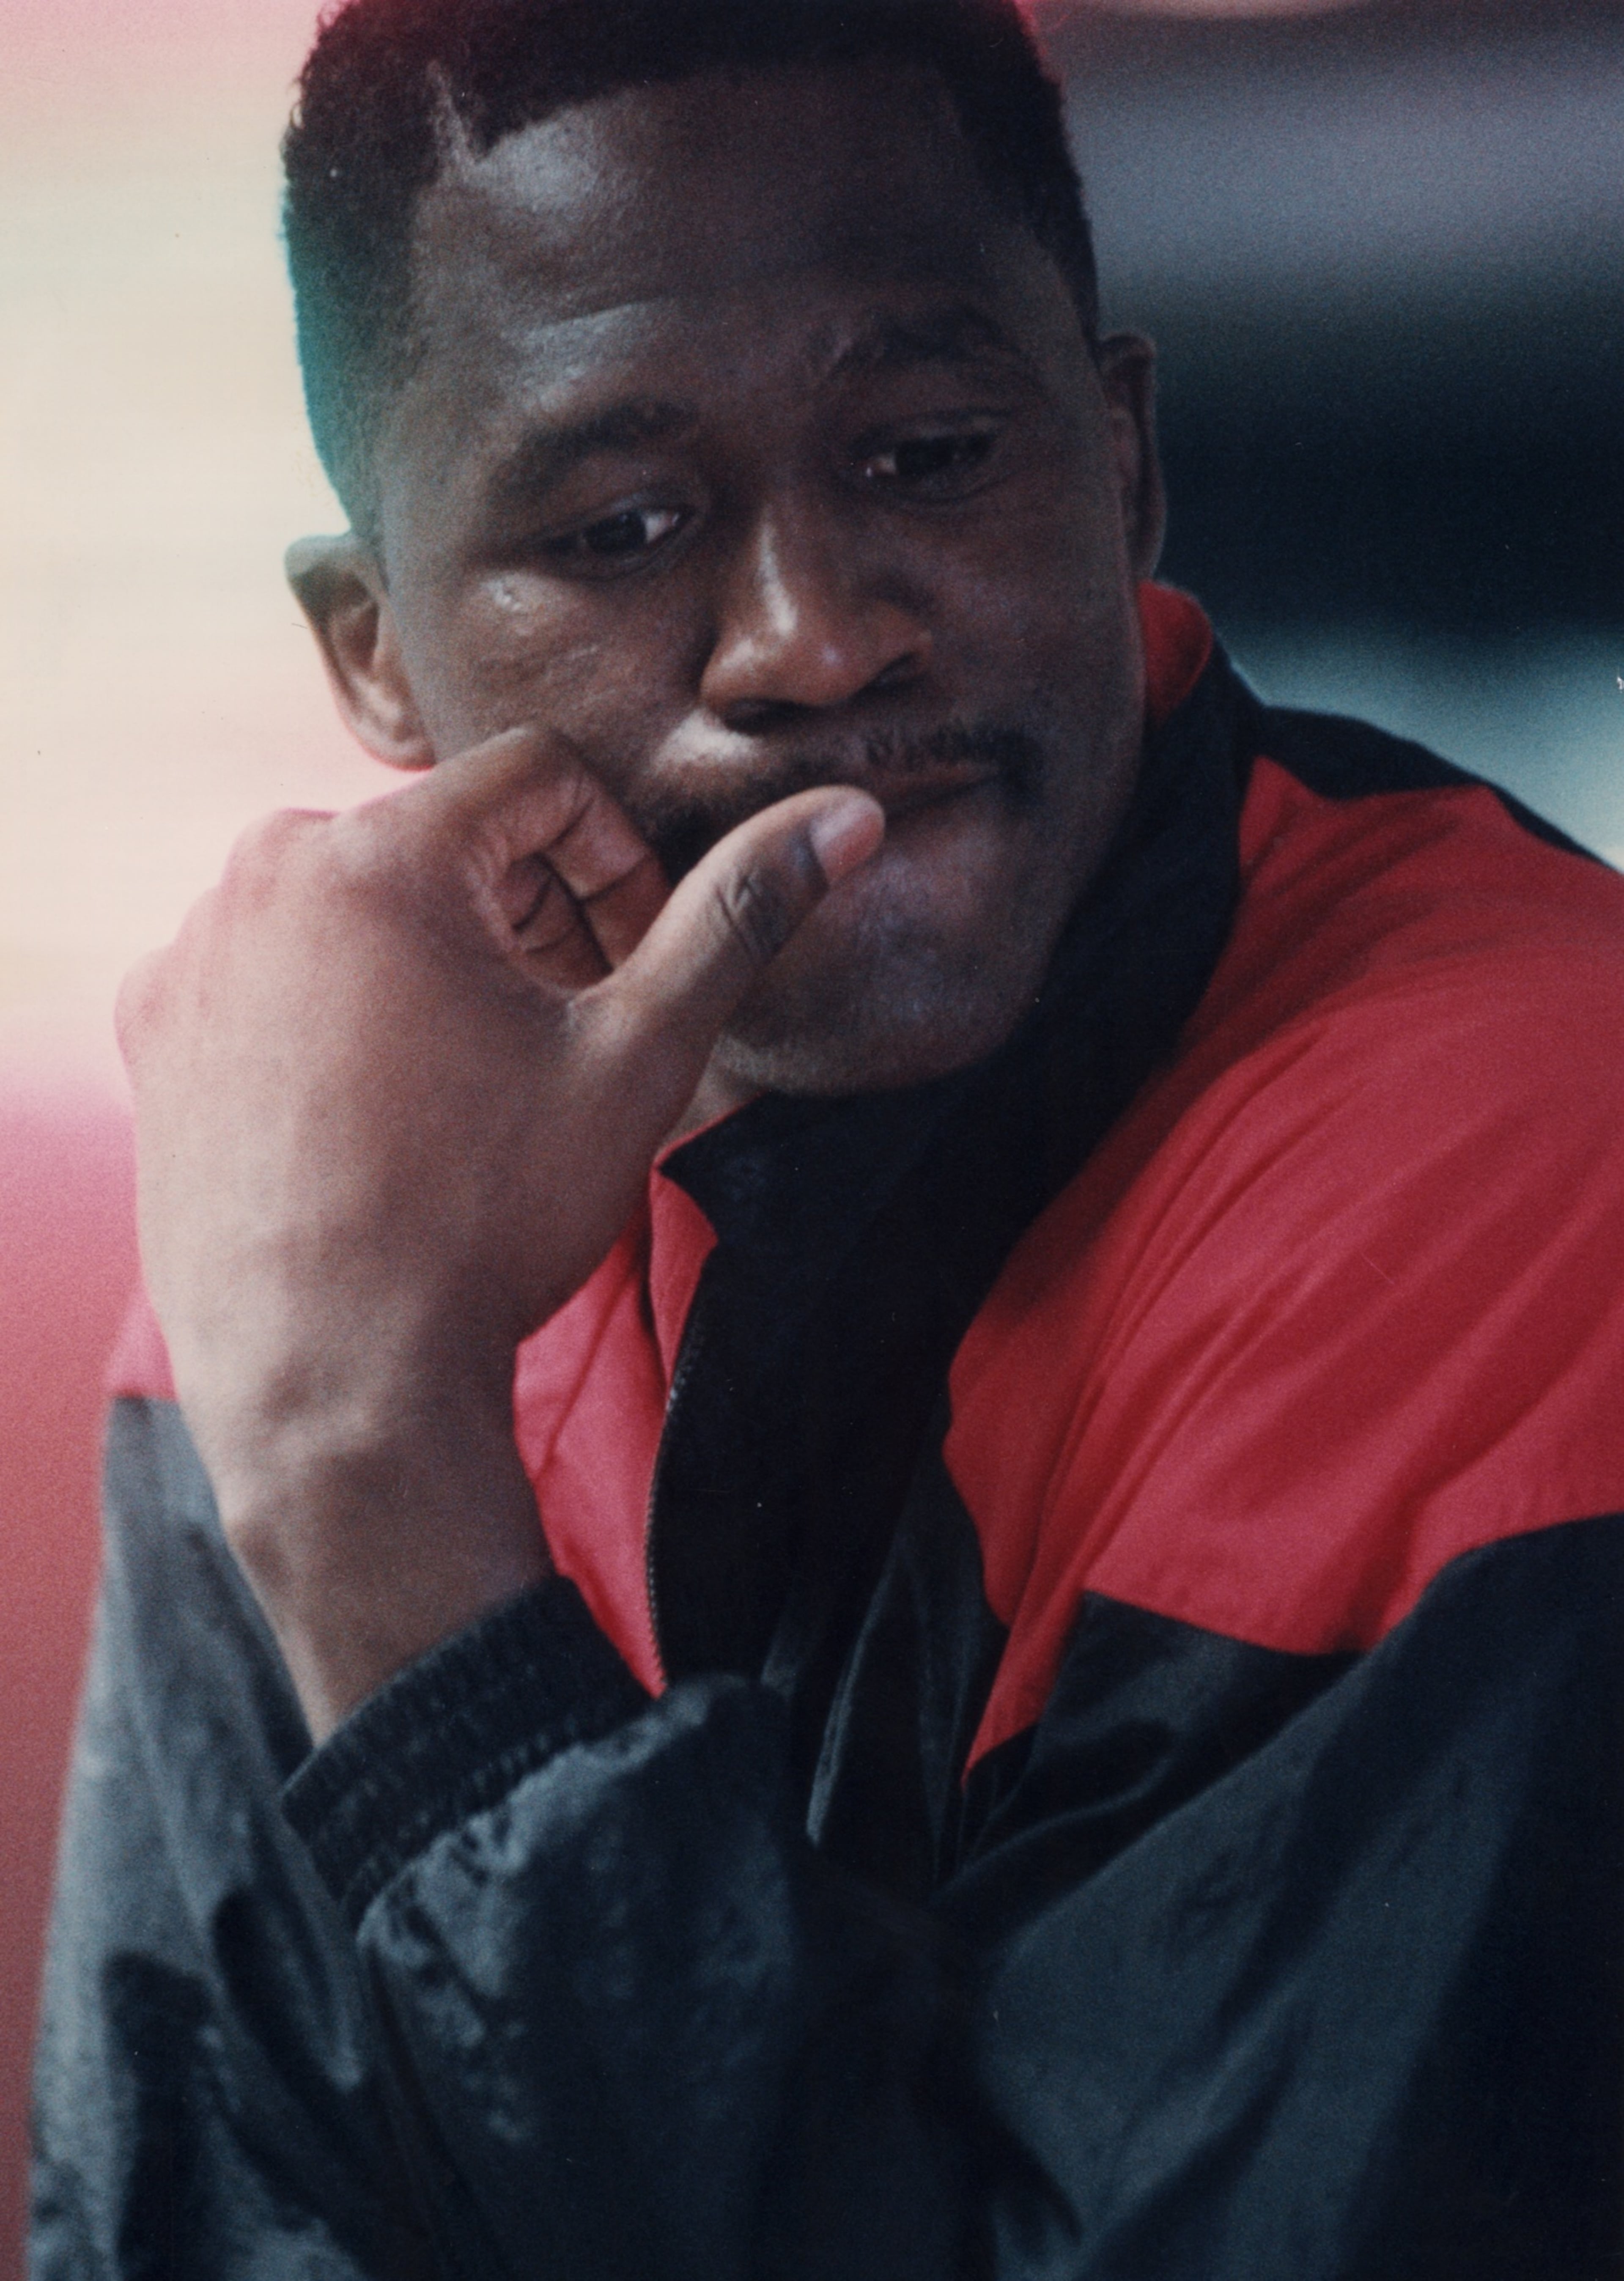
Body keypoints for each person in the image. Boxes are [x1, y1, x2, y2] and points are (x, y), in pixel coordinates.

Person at [30, 1, 1624, 2274]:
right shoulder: (312, 1233)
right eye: (625, 524)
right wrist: (336, 1406)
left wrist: (389, 1512)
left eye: (934, 452)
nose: (814, 637)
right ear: (374, 657)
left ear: (1124, 458)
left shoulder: (1518, 1155)